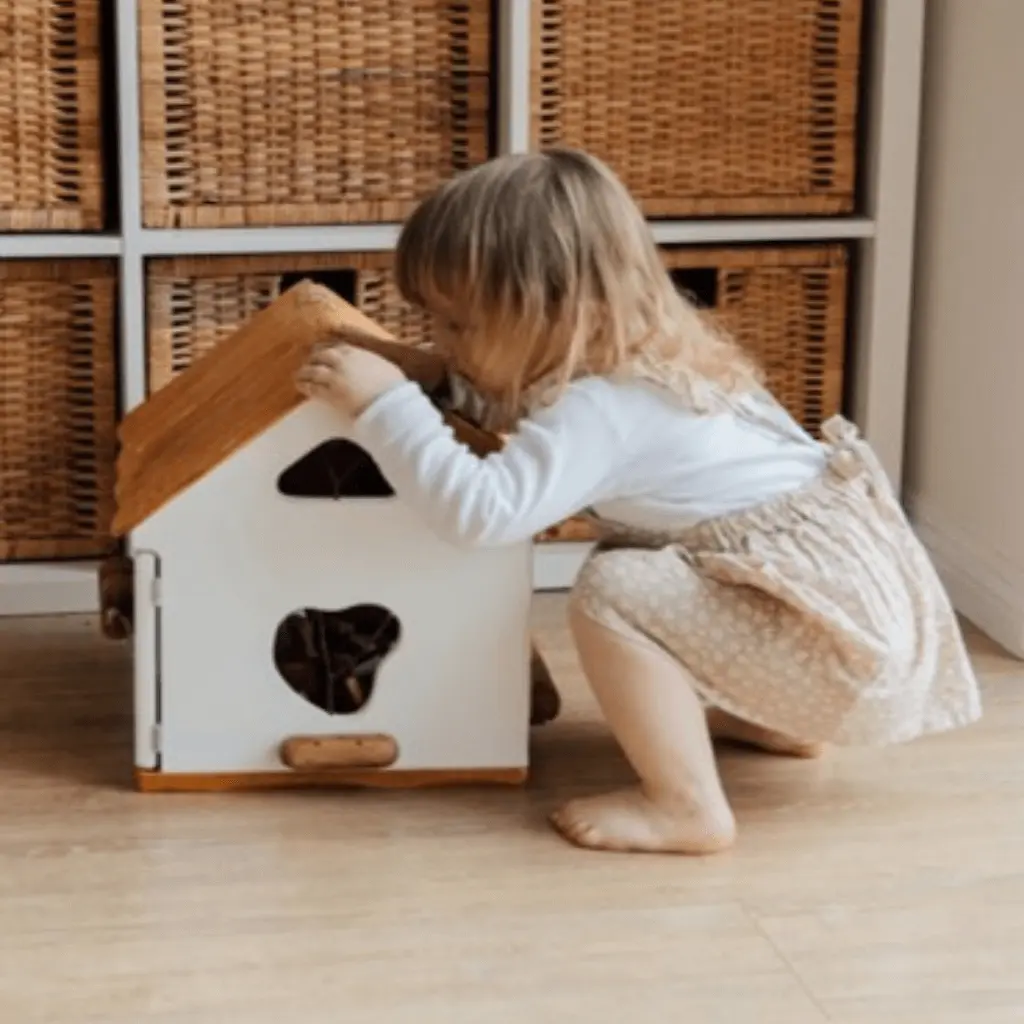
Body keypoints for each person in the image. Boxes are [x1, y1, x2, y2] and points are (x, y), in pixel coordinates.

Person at [296, 149, 982, 855]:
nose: (441, 338)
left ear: (562, 313)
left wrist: (388, 407)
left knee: (616, 585)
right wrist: (435, 375)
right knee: (647, 561)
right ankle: (787, 721)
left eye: (459, 325)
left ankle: (686, 807)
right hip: (849, 639)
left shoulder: (603, 409)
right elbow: (520, 409)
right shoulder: (654, 355)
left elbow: (481, 512)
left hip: (837, 662)